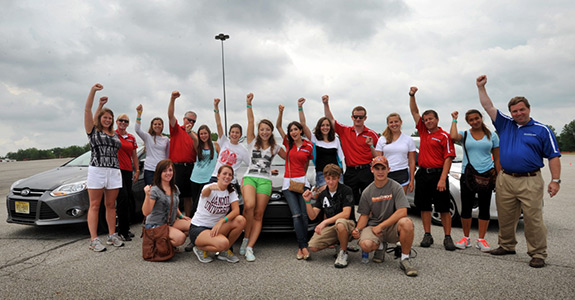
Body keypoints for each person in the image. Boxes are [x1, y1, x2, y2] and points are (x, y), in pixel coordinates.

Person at [477, 75, 561, 268]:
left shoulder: (542, 130)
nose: (518, 113)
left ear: (529, 109)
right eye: (514, 111)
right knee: (505, 216)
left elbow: (554, 156)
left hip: (529, 180)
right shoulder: (505, 124)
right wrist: (481, 87)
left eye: (522, 109)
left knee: (533, 219)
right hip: (506, 178)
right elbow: (488, 107)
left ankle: (538, 253)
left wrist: (555, 180)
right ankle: (506, 245)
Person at [352, 156, 418, 277]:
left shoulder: (396, 187)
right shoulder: (367, 191)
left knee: (407, 223)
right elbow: (364, 215)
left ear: (389, 169)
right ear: (372, 170)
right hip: (374, 227)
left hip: (391, 227)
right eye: (377, 168)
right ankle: (380, 246)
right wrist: (358, 230)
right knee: (365, 245)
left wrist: (381, 226)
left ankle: (405, 259)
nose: (380, 171)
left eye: (383, 168)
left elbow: (402, 211)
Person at [409, 86, 457, 251]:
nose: (428, 121)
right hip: (423, 173)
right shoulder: (422, 131)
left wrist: (443, 178)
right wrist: (412, 95)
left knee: (443, 207)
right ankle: (427, 235)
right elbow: (414, 112)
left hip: (438, 175)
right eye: (426, 119)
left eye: (431, 119)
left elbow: (448, 158)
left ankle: (448, 237)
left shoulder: (444, 136)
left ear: (437, 119)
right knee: (424, 207)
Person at [240, 93, 285, 262]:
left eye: (267, 129)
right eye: (262, 129)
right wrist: (249, 104)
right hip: (250, 177)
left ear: (271, 131)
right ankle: (245, 238)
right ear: (259, 131)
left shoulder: (275, 147)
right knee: (249, 206)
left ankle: (250, 247)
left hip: (265, 180)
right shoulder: (252, 141)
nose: (265, 132)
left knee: (259, 214)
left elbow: (292, 157)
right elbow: (250, 122)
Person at [450, 109, 500, 252]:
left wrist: (498, 175)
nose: (474, 121)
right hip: (468, 174)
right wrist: (454, 119)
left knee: (484, 207)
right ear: (468, 122)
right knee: (466, 207)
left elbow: (497, 158)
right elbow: (453, 137)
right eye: (471, 120)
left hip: (487, 174)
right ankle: (466, 238)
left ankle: (481, 239)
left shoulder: (492, 135)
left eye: (476, 118)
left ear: (481, 118)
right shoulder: (465, 135)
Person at [83, 83, 124, 252]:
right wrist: (93, 93)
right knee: (94, 205)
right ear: (100, 118)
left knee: (111, 205)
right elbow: (87, 110)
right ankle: (94, 239)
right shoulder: (93, 132)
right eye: (104, 117)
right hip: (97, 169)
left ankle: (112, 235)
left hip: (113, 170)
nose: (107, 120)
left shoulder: (114, 134)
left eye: (110, 118)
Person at [323, 95, 378, 205]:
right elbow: (331, 120)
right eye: (355, 116)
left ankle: (368, 221)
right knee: (349, 200)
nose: (358, 119)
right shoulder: (345, 130)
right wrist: (326, 104)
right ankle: (351, 221)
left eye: (361, 117)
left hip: (366, 170)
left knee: (368, 199)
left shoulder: (372, 134)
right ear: (352, 117)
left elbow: (378, 156)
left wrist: (371, 146)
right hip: (350, 171)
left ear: (365, 118)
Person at [277, 102, 314, 260]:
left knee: (305, 216)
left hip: (303, 184)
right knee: (297, 215)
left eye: (296, 129)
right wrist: (280, 112)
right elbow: (278, 126)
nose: (293, 132)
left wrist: (303, 177)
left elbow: (306, 164)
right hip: (288, 184)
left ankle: (301, 247)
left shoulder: (308, 146)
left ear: (300, 131)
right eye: (291, 130)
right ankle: (303, 246)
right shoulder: (288, 143)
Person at [190, 165, 246, 264]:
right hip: (199, 228)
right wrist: (211, 187)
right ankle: (200, 248)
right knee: (223, 243)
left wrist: (222, 220)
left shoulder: (231, 190)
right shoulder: (208, 187)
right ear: (218, 175)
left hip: (216, 227)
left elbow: (236, 211)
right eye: (224, 174)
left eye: (230, 175)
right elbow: (205, 193)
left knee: (241, 220)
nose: (227, 176)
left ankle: (223, 252)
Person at [302, 164, 354, 268]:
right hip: (332, 226)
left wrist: (325, 222)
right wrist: (307, 202)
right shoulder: (322, 194)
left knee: (340, 223)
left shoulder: (346, 190)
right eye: (328, 178)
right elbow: (313, 216)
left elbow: (346, 213)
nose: (330, 182)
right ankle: (339, 243)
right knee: (313, 246)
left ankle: (343, 253)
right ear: (324, 178)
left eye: (334, 179)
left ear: (339, 178)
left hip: (347, 224)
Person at [297, 98, 345, 194]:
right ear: (319, 127)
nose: (325, 127)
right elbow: (303, 124)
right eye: (323, 125)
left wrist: (342, 172)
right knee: (325, 193)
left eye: (327, 125)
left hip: (336, 173)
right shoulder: (314, 139)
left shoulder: (335, 140)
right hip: (322, 173)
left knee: (339, 195)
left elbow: (341, 158)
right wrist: (300, 107)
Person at [142, 159, 191, 249]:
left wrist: (180, 216)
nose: (168, 173)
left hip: (169, 222)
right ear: (159, 173)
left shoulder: (174, 188)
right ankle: (157, 245)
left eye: (170, 170)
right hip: (156, 225)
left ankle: (166, 241)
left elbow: (173, 204)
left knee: (193, 225)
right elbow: (146, 212)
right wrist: (147, 195)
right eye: (164, 171)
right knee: (181, 238)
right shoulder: (154, 190)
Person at [167, 91, 198, 216]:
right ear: (184, 119)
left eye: (193, 121)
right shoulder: (176, 130)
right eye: (189, 119)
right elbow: (170, 115)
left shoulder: (195, 136)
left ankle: (188, 219)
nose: (190, 122)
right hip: (176, 167)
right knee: (174, 195)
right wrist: (173, 99)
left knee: (188, 196)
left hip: (190, 167)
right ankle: (172, 219)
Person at [210, 98, 249, 186]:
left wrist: (268, 171)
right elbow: (218, 124)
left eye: (237, 133)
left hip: (230, 181)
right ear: (229, 133)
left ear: (240, 135)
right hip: (216, 177)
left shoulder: (243, 150)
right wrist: (216, 107)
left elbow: (251, 165)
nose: (234, 134)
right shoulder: (224, 141)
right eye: (233, 132)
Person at [374, 113, 416, 194]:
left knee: (400, 202)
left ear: (401, 122)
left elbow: (412, 162)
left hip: (402, 173)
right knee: (386, 202)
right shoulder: (382, 139)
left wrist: (411, 180)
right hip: (386, 174)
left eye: (396, 121)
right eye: (391, 122)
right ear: (388, 124)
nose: (394, 124)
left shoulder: (408, 140)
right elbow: (378, 160)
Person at [115, 113, 140, 242]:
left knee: (128, 199)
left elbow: (134, 155)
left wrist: (137, 170)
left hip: (127, 171)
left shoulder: (131, 138)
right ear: (116, 121)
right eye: (121, 120)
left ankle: (126, 228)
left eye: (126, 121)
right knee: (122, 199)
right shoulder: (113, 135)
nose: (123, 123)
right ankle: (121, 231)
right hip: (116, 171)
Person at [189, 124, 220, 218]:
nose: (203, 135)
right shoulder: (198, 145)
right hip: (195, 178)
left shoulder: (215, 145)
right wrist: (189, 131)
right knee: (195, 204)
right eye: (201, 134)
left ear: (209, 134)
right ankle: (192, 224)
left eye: (205, 133)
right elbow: (194, 138)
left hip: (208, 179)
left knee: (206, 204)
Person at [135, 104, 169, 185]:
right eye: (155, 124)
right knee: (150, 192)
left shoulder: (166, 139)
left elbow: (167, 154)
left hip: (162, 169)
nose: (157, 126)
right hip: (150, 169)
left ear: (162, 126)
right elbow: (137, 129)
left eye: (159, 124)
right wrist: (139, 113)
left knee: (162, 192)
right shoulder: (148, 137)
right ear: (152, 126)